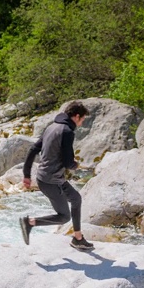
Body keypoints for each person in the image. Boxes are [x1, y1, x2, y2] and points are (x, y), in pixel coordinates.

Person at [19, 101, 94, 250]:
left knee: (76, 198)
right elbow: (68, 162)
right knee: (64, 217)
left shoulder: (51, 127)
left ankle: (78, 238)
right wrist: (76, 165)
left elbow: (33, 150)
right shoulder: (66, 131)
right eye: (83, 119)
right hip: (50, 181)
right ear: (77, 116)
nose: (82, 122)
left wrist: (26, 174)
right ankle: (30, 222)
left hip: (49, 178)